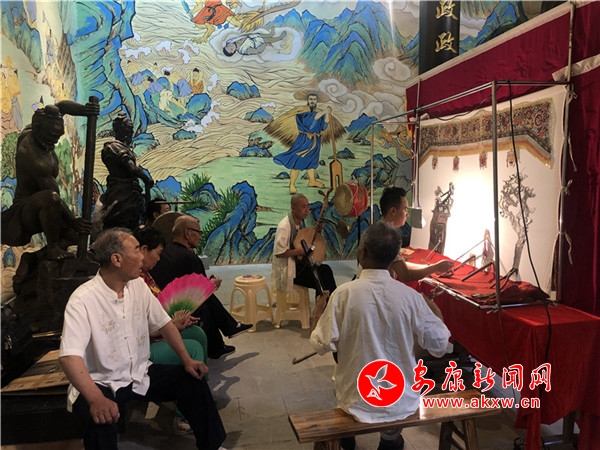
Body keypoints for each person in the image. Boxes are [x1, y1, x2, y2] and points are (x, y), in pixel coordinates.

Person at [59, 227, 227, 450]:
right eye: (137, 250)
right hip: (101, 381)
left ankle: (212, 445)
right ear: (117, 259)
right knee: (100, 418)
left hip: (140, 373)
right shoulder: (82, 299)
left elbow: (164, 324)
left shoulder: (138, 285)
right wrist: (96, 399)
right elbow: (69, 356)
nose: (141, 256)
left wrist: (187, 360)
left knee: (192, 382)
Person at [310, 222, 452, 450]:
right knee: (394, 398)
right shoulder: (411, 297)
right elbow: (440, 345)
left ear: (362, 252)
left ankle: (348, 438)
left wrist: (318, 314)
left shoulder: (343, 294)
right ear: (394, 258)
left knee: (345, 377)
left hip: (355, 402)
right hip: (402, 401)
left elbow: (320, 344)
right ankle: (390, 439)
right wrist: (432, 307)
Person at [132, 225, 208, 435]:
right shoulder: (133, 282)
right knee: (192, 349)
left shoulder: (145, 276)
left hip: (157, 332)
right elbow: (137, 328)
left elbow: (158, 313)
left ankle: (200, 392)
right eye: (157, 254)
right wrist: (170, 326)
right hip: (143, 344)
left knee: (198, 334)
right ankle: (185, 414)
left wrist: (176, 322)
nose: (159, 259)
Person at [0, 100, 98, 260]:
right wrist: (73, 221)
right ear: (38, 128)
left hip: (46, 206)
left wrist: (85, 110)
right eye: (52, 135)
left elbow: (61, 107)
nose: (56, 140)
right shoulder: (32, 156)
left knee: (76, 238)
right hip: (27, 210)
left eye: (58, 135)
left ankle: (32, 260)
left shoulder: (38, 127)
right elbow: (54, 196)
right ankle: (53, 248)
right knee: (50, 198)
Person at [150, 214, 252, 359]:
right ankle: (225, 335)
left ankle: (223, 340)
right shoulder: (189, 258)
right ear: (187, 233)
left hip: (162, 304)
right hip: (174, 310)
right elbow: (203, 291)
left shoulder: (165, 253)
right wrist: (213, 284)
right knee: (205, 304)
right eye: (198, 232)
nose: (200, 236)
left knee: (206, 302)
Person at [268, 92, 342, 194]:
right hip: (304, 140)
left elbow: (323, 126)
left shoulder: (318, 112)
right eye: (310, 99)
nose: (312, 101)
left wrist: (327, 115)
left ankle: (312, 181)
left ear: (316, 101)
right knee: (298, 160)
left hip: (316, 140)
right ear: (307, 100)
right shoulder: (302, 113)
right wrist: (325, 111)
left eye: (314, 99)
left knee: (312, 161)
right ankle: (292, 184)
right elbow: (312, 123)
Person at [380, 187, 454, 282]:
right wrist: (436, 268)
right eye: (405, 210)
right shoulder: (387, 238)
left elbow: (400, 265)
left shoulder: (378, 231)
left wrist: (432, 267)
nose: (407, 215)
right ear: (393, 211)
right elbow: (406, 275)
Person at [272, 193, 337, 298]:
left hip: (299, 265)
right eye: (303, 207)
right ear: (293, 208)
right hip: (290, 271)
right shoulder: (284, 226)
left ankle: (327, 303)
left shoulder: (300, 223)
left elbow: (301, 241)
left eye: (307, 206)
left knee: (325, 270)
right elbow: (279, 253)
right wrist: (300, 251)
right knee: (322, 276)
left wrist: (317, 232)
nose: (307, 210)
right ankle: (325, 304)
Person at [100, 112, 154, 231]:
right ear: (121, 129)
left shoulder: (117, 147)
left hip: (127, 192)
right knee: (122, 221)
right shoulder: (115, 147)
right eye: (129, 128)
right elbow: (131, 167)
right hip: (123, 192)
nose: (131, 131)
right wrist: (146, 179)